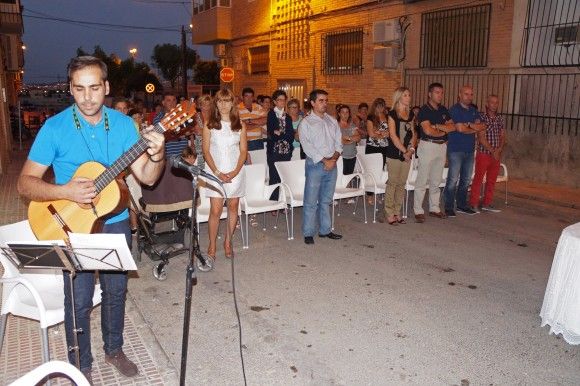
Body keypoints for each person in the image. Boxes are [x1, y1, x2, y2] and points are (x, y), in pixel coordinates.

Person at [17, 56, 166, 382]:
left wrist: (157, 155)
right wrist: (67, 191)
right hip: (71, 224)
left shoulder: (126, 125)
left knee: (116, 291)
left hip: (114, 221)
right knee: (79, 298)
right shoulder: (54, 127)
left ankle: (114, 349)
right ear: (70, 88)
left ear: (107, 87)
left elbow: (148, 177)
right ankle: (79, 364)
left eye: (94, 88)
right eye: (80, 88)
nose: (87, 96)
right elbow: (25, 182)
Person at [202, 88, 247, 259]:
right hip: (215, 171)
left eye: (227, 101)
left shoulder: (240, 125)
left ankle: (228, 242)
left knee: (234, 206)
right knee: (216, 210)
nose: (223, 104)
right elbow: (206, 151)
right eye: (220, 101)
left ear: (232, 103)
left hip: (236, 171)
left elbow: (243, 151)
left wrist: (235, 172)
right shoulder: (209, 125)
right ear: (216, 103)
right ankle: (212, 245)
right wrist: (217, 172)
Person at [299, 89, 343, 245]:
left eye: (326, 100)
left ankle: (325, 230)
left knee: (326, 200)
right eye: (321, 101)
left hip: (333, 164)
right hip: (316, 165)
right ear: (312, 103)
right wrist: (326, 161)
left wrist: (334, 159)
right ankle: (308, 232)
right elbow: (307, 147)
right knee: (311, 200)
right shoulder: (306, 123)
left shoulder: (332, 120)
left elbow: (339, 142)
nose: (325, 104)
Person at [413, 82, 456, 223]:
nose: (440, 95)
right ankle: (418, 210)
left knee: (436, 180)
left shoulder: (443, 109)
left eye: (441, 92)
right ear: (429, 94)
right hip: (428, 146)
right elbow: (427, 131)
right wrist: (443, 130)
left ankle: (434, 208)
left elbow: (453, 126)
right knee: (422, 179)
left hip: (441, 146)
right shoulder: (424, 110)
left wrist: (437, 127)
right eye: (437, 92)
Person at [444, 85, 486, 216]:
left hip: (469, 150)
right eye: (466, 94)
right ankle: (449, 207)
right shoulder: (454, 110)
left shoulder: (474, 110)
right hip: (456, 150)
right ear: (460, 95)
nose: (469, 97)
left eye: (471, 94)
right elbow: (460, 129)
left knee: (466, 180)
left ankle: (462, 205)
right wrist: (473, 127)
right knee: (452, 180)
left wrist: (469, 125)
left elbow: (482, 126)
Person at [383, 87, 417, 225]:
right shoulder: (392, 114)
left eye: (409, 95)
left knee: (402, 183)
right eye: (405, 95)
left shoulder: (411, 115)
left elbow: (414, 134)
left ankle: (397, 211)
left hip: (408, 153)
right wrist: (405, 151)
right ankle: (389, 212)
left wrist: (411, 149)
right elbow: (393, 135)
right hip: (394, 153)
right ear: (398, 97)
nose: (408, 97)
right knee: (393, 183)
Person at [469, 94, 506, 212]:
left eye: (496, 103)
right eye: (492, 102)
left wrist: (499, 149)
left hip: (496, 154)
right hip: (484, 153)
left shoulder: (500, 118)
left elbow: (503, 135)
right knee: (478, 179)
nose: (494, 105)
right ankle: (473, 202)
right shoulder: (481, 117)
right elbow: (481, 137)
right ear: (487, 103)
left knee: (491, 180)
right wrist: (493, 151)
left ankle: (487, 202)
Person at [267, 90, 295, 200]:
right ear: (274, 101)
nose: (282, 102)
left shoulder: (287, 117)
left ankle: (283, 201)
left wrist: (280, 133)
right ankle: (273, 202)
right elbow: (272, 134)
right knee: (274, 177)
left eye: (284, 100)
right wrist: (282, 134)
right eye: (280, 100)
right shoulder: (271, 114)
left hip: (286, 151)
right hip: (274, 151)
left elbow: (291, 136)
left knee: (284, 177)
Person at [365, 98, 390, 205]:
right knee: (372, 171)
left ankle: (378, 192)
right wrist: (382, 134)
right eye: (378, 106)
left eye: (382, 106)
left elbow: (390, 131)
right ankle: (369, 195)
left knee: (381, 171)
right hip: (373, 147)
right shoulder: (371, 117)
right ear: (375, 106)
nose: (381, 108)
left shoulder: (387, 117)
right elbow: (371, 134)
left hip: (384, 147)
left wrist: (384, 134)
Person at [238, 87, 267, 151]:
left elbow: (265, 120)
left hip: (258, 141)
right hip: (244, 142)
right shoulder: (237, 109)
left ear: (253, 98)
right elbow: (240, 127)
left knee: (260, 161)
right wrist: (258, 124)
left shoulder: (258, 107)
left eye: (251, 97)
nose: (249, 99)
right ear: (242, 97)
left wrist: (249, 121)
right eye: (246, 96)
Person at [337, 104, 360, 175]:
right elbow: (341, 141)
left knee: (349, 178)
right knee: (341, 179)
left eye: (347, 112)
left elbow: (358, 138)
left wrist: (348, 138)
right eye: (343, 112)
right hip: (341, 156)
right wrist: (353, 139)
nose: (345, 114)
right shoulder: (336, 126)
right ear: (339, 114)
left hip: (352, 155)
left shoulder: (352, 125)